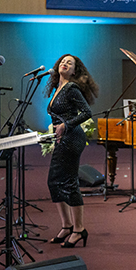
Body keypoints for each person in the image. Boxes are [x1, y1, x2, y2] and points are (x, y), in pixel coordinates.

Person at [44, 54, 98, 248]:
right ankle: (67, 226)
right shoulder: (57, 89)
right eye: (63, 61)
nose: (65, 64)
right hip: (62, 137)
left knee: (68, 182)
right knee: (55, 182)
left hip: (71, 138)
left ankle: (78, 229)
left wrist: (65, 125)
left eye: (70, 63)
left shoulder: (71, 88)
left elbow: (86, 112)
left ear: (74, 71)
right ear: (57, 65)